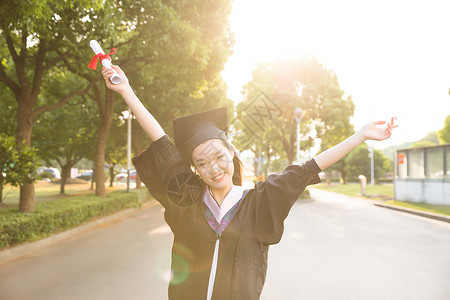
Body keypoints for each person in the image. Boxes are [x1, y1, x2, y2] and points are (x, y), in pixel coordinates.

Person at [102, 65, 397, 300]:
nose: (213, 168)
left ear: (231, 152)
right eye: (202, 163)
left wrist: (360, 135)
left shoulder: (259, 200)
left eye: (218, 157)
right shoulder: (187, 199)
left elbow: (308, 168)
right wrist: (126, 89)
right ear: (194, 169)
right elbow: (162, 143)